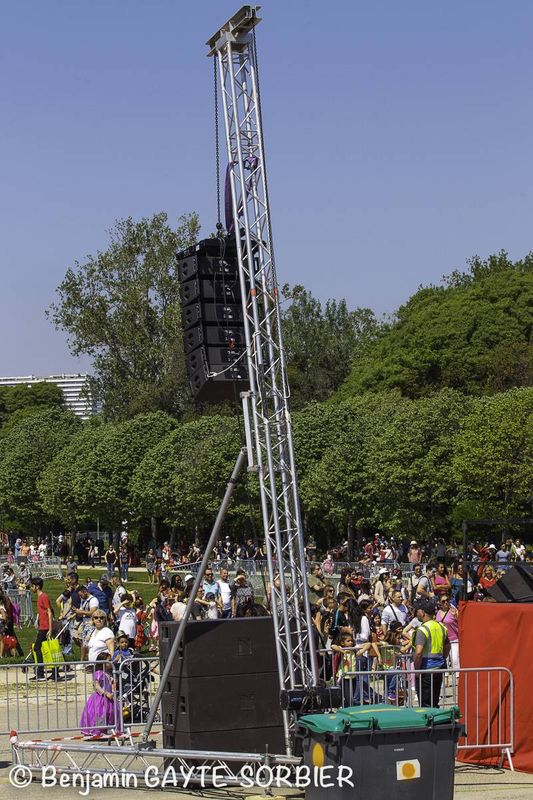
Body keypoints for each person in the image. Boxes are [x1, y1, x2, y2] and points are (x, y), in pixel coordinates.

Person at [413, 597, 450, 707]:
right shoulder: (441, 627)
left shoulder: (422, 629)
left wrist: (417, 670)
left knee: (425, 704)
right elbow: (447, 646)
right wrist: (441, 658)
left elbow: (418, 653)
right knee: (434, 701)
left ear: (422, 612)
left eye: (417, 611)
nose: (416, 614)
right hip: (439, 668)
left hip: (426, 670)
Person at [80, 653, 119, 736]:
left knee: (111, 712)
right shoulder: (98, 673)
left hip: (109, 697)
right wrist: (106, 693)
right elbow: (96, 686)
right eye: (109, 661)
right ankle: (97, 730)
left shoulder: (107, 673)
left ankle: (109, 728)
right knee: (100, 713)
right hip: (100, 697)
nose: (111, 662)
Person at [30, 577, 53, 680]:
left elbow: (49, 612)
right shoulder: (39, 597)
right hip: (42, 626)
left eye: (32, 586)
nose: (31, 588)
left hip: (45, 627)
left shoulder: (43, 596)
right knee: (48, 648)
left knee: (37, 648)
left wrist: (50, 629)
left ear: (37, 586)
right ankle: (55, 672)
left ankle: (40, 673)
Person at [436, 595, 459, 670]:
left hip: (454, 640)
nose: (446, 602)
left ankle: (457, 676)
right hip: (443, 641)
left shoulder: (453, 611)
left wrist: (456, 616)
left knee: (455, 660)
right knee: (445, 661)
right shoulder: (438, 613)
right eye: (443, 601)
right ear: (440, 603)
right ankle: (446, 677)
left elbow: (461, 623)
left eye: (447, 600)